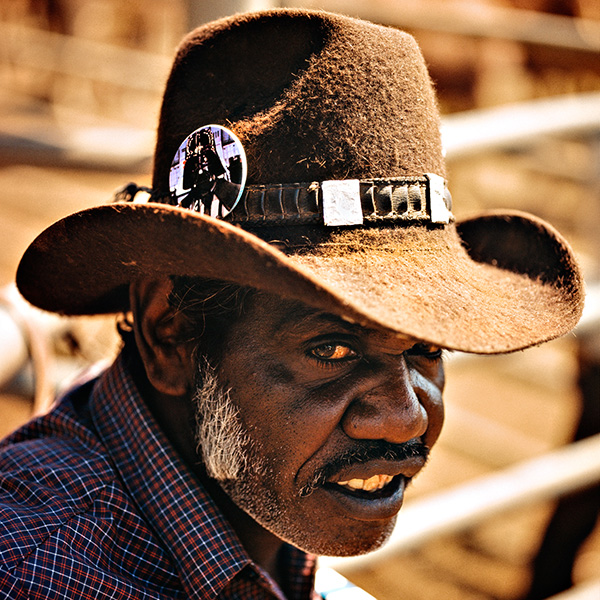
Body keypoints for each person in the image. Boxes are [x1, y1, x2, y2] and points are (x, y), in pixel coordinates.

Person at [0, 9, 584, 600]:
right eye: (331, 348)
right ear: (170, 334)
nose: (406, 417)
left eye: (427, 347)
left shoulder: (250, 521)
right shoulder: (34, 573)